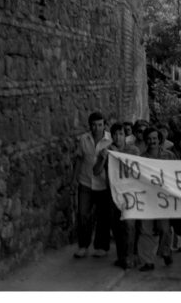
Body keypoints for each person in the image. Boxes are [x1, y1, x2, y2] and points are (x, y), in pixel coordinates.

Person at [93, 122, 140, 269]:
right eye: (115, 134)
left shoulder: (133, 151)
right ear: (111, 136)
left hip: (131, 194)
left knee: (130, 226)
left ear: (125, 136)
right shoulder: (106, 151)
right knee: (117, 227)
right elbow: (96, 171)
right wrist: (102, 159)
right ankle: (122, 257)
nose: (118, 137)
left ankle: (131, 256)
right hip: (113, 195)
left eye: (121, 134)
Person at [72, 111, 112, 259]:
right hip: (86, 182)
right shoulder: (84, 139)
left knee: (103, 216)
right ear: (90, 126)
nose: (97, 128)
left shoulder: (110, 140)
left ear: (104, 125)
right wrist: (74, 179)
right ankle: (83, 246)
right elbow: (79, 159)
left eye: (100, 125)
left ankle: (101, 246)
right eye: (94, 125)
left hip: (103, 184)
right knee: (83, 215)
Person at [136, 127, 177, 271]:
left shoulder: (169, 156)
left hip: (164, 199)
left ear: (159, 140)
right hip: (147, 198)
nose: (152, 141)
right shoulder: (140, 158)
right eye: (149, 138)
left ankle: (166, 251)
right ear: (146, 140)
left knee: (164, 229)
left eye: (155, 138)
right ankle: (147, 261)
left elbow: (177, 174)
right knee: (145, 229)